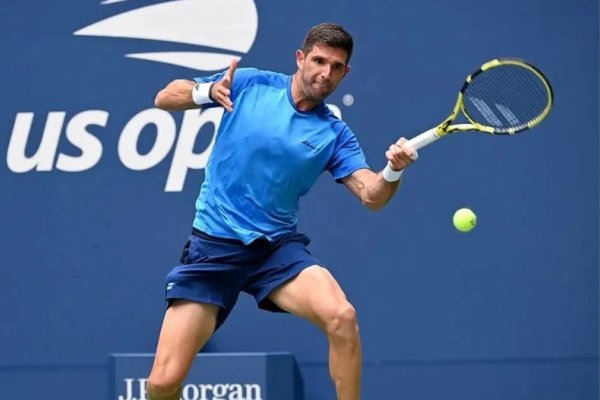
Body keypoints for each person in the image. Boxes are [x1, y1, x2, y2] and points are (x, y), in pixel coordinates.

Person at [146, 23, 417, 400]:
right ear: (300, 58)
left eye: (336, 67)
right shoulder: (251, 84)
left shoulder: (334, 134)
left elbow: (372, 194)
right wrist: (207, 90)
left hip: (274, 250)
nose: (325, 73)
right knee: (162, 383)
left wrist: (393, 170)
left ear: (345, 73)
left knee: (342, 317)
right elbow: (165, 97)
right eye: (319, 61)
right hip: (213, 247)